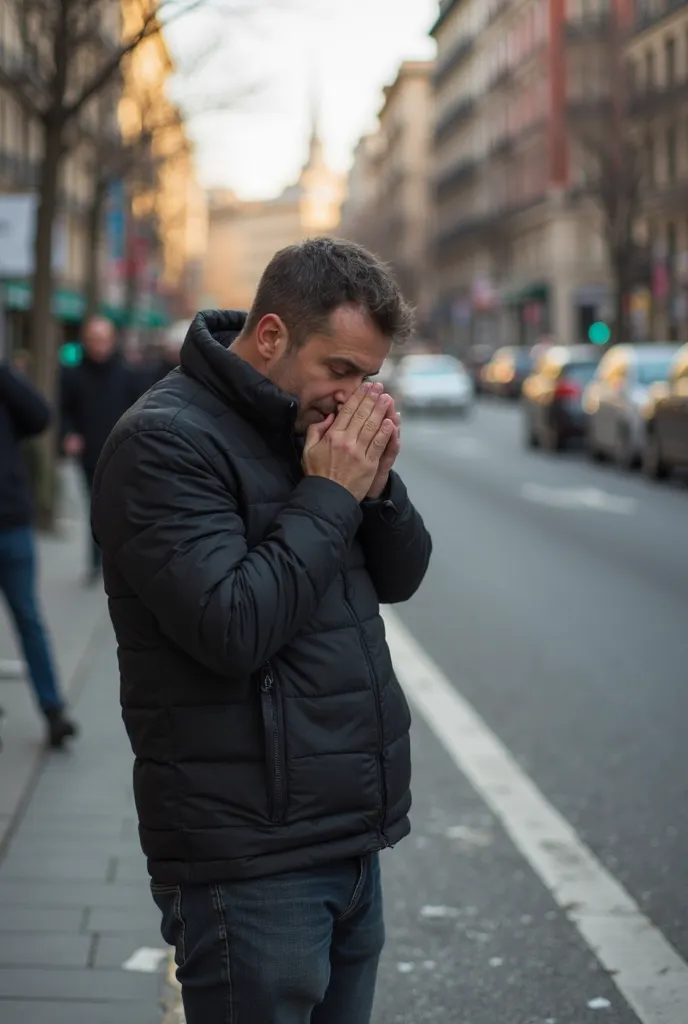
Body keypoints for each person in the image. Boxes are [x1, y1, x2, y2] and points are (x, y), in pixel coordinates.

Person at [91, 237, 432, 1024]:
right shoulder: (163, 442)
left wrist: (376, 492)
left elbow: (403, 578)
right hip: (248, 855)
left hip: (348, 833)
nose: (353, 397)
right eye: (341, 371)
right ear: (272, 336)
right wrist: (332, 497)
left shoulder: (312, 429)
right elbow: (232, 627)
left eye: (368, 378)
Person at [0, 360, 78, 747]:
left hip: (10, 520)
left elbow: (38, 417)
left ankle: (53, 710)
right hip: (13, 519)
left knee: (28, 616)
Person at [60, 316, 139, 583]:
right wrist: (69, 434)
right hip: (90, 453)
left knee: (120, 509)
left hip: (122, 453)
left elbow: (139, 411)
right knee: (95, 509)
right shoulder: (72, 374)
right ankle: (97, 562)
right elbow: (65, 411)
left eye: (103, 339)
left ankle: (122, 561)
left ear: (112, 341)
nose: (99, 346)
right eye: (93, 340)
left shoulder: (126, 374)